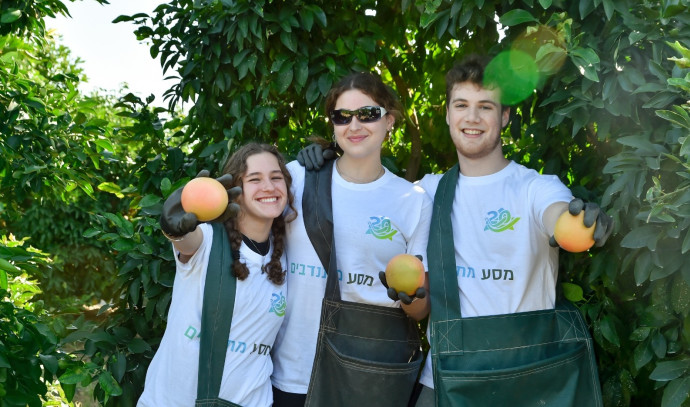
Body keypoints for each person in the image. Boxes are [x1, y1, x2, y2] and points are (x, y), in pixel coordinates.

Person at [297, 55, 614, 406]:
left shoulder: (536, 188)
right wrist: (325, 158)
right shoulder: (426, 193)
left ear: (505, 116)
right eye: (461, 105)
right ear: (448, 114)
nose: (472, 117)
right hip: (448, 376)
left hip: (527, 374)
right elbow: (367, 194)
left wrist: (581, 221)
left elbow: (558, 215)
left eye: (486, 107)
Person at [270, 72, 433, 407]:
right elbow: (246, 238)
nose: (354, 125)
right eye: (342, 116)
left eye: (368, 114)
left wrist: (410, 296)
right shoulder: (298, 178)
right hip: (293, 370)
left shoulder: (413, 200)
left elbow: (419, 312)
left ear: (389, 120)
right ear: (332, 124)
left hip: (367, 374)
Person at [137, 143, 296, 407]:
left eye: (276, 177)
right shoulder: (209, 240)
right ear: (235, 191)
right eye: (254, 179)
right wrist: (172, 226)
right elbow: (186, 240)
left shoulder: (287, 251)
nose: (268, 187)